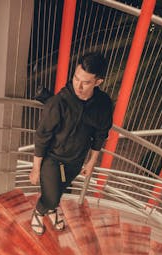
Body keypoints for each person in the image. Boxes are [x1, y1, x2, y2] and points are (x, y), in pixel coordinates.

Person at [29, 52, 113, 235]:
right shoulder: (59, 102)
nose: (79, 86)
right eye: (76, 78)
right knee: (51, 196)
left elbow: (101, 134)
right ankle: (39, 211)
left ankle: (51, 209)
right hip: (53, 159)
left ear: (98, 82)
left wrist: (92, 161)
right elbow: (42, 136)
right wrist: (36, 168)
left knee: (59, 190)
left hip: (75, 161)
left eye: (86, 82)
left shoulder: (103, 104)